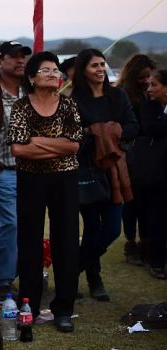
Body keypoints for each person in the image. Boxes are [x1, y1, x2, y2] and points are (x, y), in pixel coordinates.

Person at [7, 51, 83, 333]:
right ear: (31, 77)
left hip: (65, 179)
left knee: (65, 242)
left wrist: (36, 144)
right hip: (30, 180)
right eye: (46, 70)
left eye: (55, 70)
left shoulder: (68, 106)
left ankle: (64, 309)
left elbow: (74, 145)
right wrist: (56, 143)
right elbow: (16, 148)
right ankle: (30, 305)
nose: (54, 74)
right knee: (29, 242)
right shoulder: (21, 107)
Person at [72, 49, 138, 302]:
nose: (100, 69)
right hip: (88, 171)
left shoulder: (117, 96)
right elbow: (78, 139)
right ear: (83, 71)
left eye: (103, 64)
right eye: (94, 66)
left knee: (111, 229)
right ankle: (95, 279)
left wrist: (103, 131)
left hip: (117, 172)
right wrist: (96, 137)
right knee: (91, 227)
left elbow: (134, 127)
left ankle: (72, 269)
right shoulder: (75, 101)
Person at [0, 41, 32, 300]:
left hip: (33, 169)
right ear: (0, 62)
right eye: (13, 57)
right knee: (10, 222)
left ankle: (23, 276)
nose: (20, 60)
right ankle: (0, 280)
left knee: (27, 224)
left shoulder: (30, 89)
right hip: (4, 169)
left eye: (23, 56)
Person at [117, 54, 157, 266]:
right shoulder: (123, 94)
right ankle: (131, 242)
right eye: (142, 77)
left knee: (148, 203)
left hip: (151, 155)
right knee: (131, 201)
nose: (146, 80)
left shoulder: (153, 93)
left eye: (149, 76)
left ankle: (146, 242)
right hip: (131, 154)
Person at [139, 69, 167, 279]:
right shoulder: (148, 107)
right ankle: (156, 261)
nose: (149, 89)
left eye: (154, 85)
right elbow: (152, 129)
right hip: (157, 173)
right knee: (157, 218)